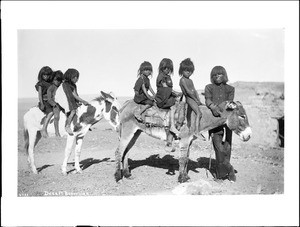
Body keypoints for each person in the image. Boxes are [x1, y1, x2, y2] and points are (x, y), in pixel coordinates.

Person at [204, 65, 236, 182]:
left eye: (220, 74)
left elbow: (230, 104)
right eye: (214, 75)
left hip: (227, 122)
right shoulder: (209, 87)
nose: (217, 76)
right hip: (214, 122)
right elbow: (207, 99)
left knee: (227, 147)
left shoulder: (230, 89)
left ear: (224, 75)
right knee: (218, 148)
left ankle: (226, 170)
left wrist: (223, 109)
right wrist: (212, 107)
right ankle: (222, 173)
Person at [155, 58, 180, 136]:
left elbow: (170, 89)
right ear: (162, 68)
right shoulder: (161, 77)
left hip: (167, 95)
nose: (167, 70)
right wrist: (175, 93)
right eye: (166, 68)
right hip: (162, 97)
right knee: (173, 106)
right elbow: (165, 88)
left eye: (169, 69)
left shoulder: (168, 76)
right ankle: (172, 126)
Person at [179, 58, 203, 134]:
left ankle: (190, 130)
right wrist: (196, 100)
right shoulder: (182, 80)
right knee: (199, 113)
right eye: (186, 70)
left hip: (193, 98)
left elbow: (194, 90)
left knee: (189, 116)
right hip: (189, 98)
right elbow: (188, 92)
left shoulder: (190, 80)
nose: (188, 73)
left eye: (190, 71)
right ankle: (197, 131)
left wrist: (198, 99)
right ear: (182, 70)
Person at [62, 68, 89, 135]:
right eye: (75, 77)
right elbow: (71, 95)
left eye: (77, 77)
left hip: (72, 101)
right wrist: (82, 101)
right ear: (70, 76)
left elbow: (75, 94)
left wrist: (80, 102)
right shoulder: (65, 84)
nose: (76, 79)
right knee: (73, 111)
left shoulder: (73, 85)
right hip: (67, 101)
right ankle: (67, 126)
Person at [42, 70, 64, 137]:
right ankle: (57, 132)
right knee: (56, 116)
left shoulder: (61, 87)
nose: (57, 82)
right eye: (55, 80)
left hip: (62, 103)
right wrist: (54, 104)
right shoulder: (51, 88)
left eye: (59, 80)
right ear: (53, 80)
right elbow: (49, 99)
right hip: (56, 104)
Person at [35, 66, 54, 138]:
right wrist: (42, 104)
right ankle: (44, 128)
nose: (46, 77)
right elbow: (40, 95)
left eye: (47, 75)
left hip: (51, 101)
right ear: (41, 75)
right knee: (51, 112)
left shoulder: (51, 83)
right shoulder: (40, 84)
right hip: (45, 102)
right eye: (44, 75)